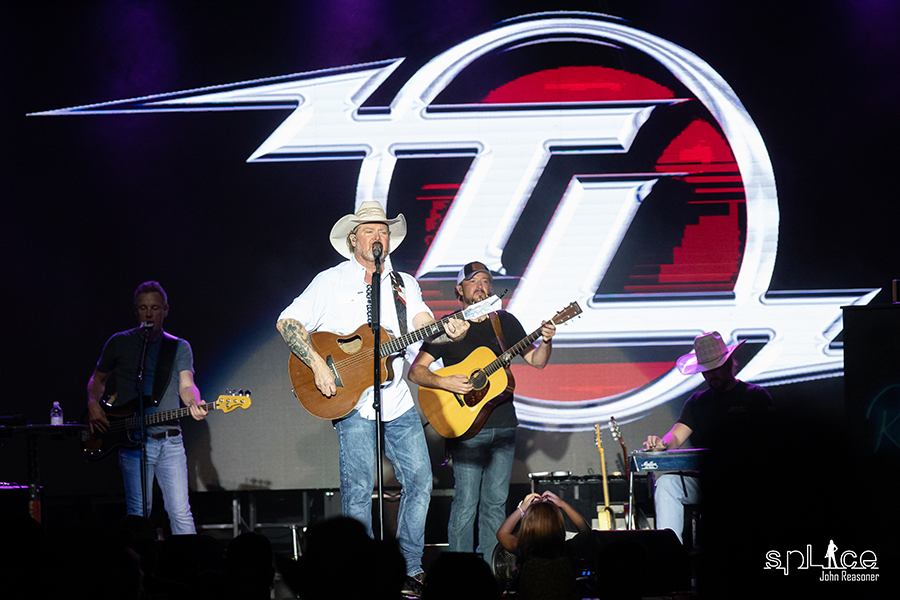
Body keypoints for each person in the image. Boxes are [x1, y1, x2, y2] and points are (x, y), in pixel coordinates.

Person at [276, 201, 468, 593]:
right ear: (353, 239)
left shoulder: (403, 283)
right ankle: (355, 573)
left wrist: (448, 330)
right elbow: (287, 321)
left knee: (421, 480)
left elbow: (421, 323)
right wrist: (316, 362)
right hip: (352, 401)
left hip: (395, 397)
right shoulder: (329, 281)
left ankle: (411, 566)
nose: (377, 237)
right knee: (359, 490)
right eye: (369, 230)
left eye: (383, 231)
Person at [408, 261, 556, 563]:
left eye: (486, 280)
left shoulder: (505, 322)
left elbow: (537, 361)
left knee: (495, 504)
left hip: (503, 425)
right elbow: (416, 372)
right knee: (465, 503)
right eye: (473, 281)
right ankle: (460, 576)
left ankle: (491, 574)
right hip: (466, 429)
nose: (481, 285)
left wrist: (548, 340)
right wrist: (445, 380)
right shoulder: (446, 327)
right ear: (459, 290)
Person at [86, 281, 207, 535]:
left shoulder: (178, 346)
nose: (149, 314)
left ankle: (189, 564)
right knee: (138, 513)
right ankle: (137, 568)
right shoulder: (119, 343)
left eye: (154, 308)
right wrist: (92, 403)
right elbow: (98, 379)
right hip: (133, 443)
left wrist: (194, 402)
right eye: (143, 308)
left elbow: (187, 386)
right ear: (136, 311)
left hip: (171, 442)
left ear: (165, 310)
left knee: (180, 511)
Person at [643, 331, 774, 544]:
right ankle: (669, 555)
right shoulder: (696, 402)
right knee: (667, 484)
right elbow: (675, 436)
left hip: (746, 481)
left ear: (730, 363)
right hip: (706, 481)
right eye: (706, 371)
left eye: (716, 369)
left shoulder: (755, 396)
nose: (711, 376)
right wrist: (662, 443)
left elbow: (771, 442)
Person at [496, 491, 591, 600]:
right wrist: (562, 504)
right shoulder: (565, 551)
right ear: (557, 523)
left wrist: (522, 508)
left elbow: (502, 534)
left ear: (528, 524)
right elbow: (586, 532)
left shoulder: (525, 550)